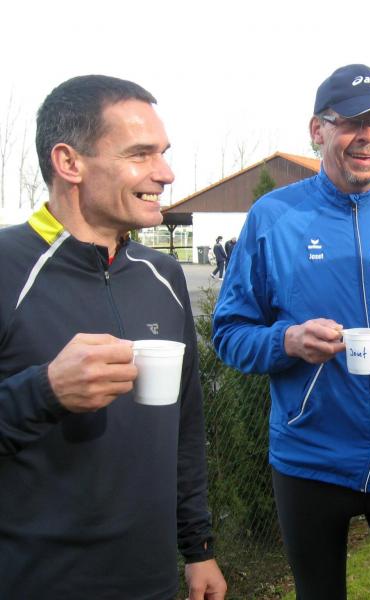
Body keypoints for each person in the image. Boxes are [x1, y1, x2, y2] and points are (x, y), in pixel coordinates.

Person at [213, 63, 370, 600]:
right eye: (353, 122)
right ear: (318, 130)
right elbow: (230, 331)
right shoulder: (273, 217)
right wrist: (286, 341)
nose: (369, 137)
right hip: (310, 460)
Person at [0, 75, 226, 598]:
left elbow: (186, 425)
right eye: (140, 154)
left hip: (151, 581)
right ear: (69, 162)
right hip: (34, 583)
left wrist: (198, 547)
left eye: (163, 153)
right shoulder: (7, 268)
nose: (165, 173)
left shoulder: (163, 275)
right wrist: (45, 391)